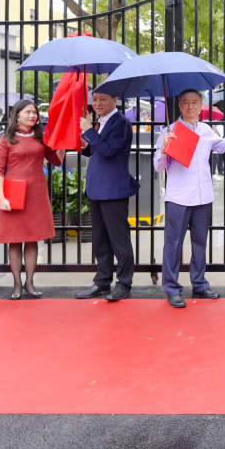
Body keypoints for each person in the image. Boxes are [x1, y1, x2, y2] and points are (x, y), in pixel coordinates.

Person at [153, 89, 225, 308]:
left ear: (200, 105)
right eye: (185, 102)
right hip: (178, 197)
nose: (190, 106)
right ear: (180, 106)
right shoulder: (169, 130)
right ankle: (172, 288)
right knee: (173, 245)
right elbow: (158, 166)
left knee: (200, 242)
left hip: (203, 196)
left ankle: (199, 283)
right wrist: (165, 148)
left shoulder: (205, 130)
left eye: (194, 102)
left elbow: (221, 147)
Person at [0, 98, 65, 299]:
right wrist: (1, 197)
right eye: (28, 112)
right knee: (14, 241)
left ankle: (30, 283)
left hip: (36, 193)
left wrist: (63, 142)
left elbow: (56, 160)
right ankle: (16, 285)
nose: (33, 116)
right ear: (17, 116)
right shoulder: (5, 140)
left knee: (32, 240)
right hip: (13, 194)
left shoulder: (41, 139)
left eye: (34, 112)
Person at [75, 89, 139, 302]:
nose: (98, 103)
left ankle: (124, 282)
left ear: (115, 100)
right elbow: (97, 151)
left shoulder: (120, 122)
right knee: (99, 239)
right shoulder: (100, 122)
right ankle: (102, 281)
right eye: (94, 100)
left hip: (113, 189)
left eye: (103, 99)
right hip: (96, 188)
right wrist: (85, 143)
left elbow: (109, 150)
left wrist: (89, 132)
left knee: (119, 239)